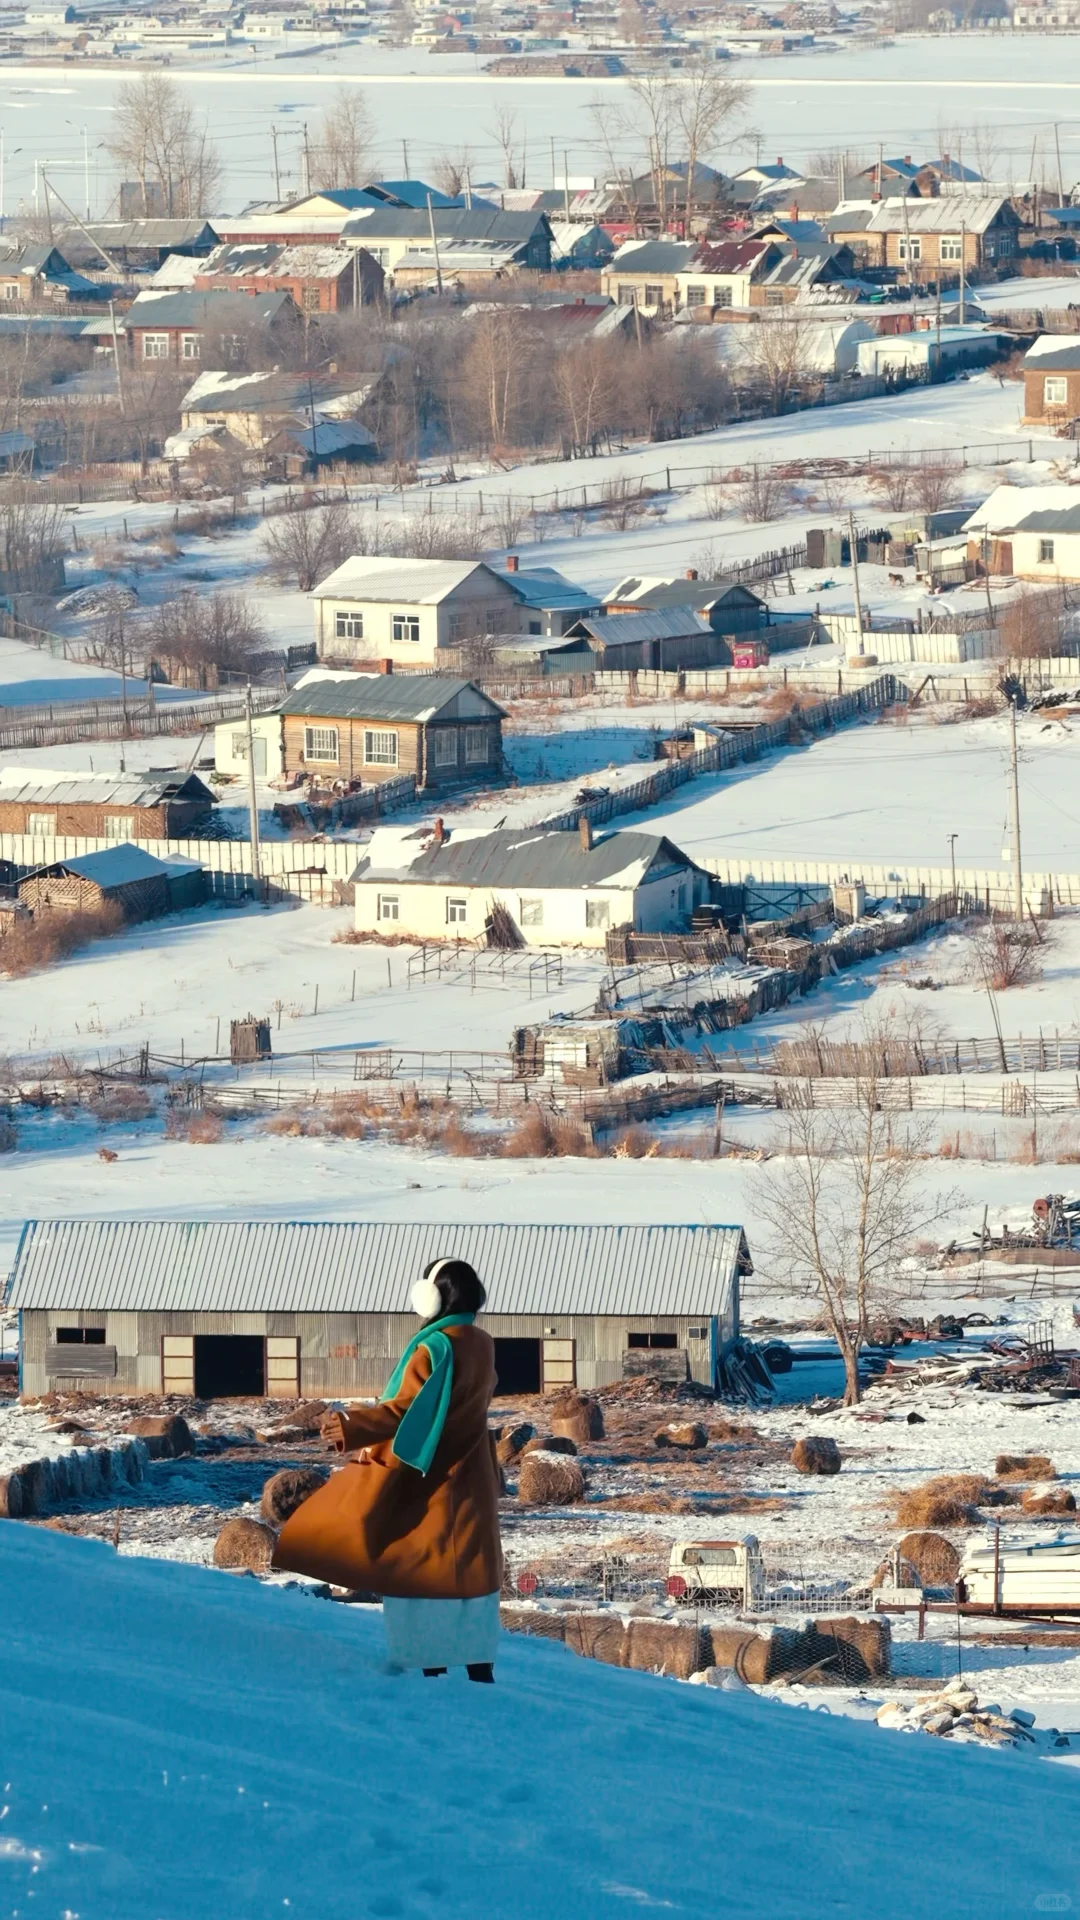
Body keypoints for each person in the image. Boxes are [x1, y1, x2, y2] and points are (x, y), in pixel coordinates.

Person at [272, 1257, 503, 1682]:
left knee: (420, 1569)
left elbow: (404, 1410)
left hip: (429, 1478)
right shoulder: (482, 1342)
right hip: (473, 1476)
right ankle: (478, 1669)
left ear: (432, 1297)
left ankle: (430, 1670)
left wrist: (350, 1425)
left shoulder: (434, 1347)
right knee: (470, 1572)